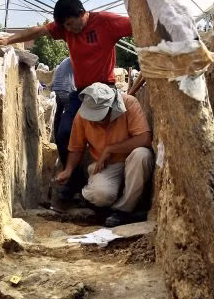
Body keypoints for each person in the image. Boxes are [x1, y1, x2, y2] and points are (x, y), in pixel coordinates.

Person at [0, 0, 133, 196]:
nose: (68, 30)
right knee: (63, 133)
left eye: (70, 23)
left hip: (105, 90)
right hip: (82, 92)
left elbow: (139, 26)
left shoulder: (106, 21)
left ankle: (115, 182)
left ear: (81, 13)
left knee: (106, 134)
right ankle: (73, 181)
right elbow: (38, 31)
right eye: (64, 26)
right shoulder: (64, 27)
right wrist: (9, 39)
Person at [55, 82, 154, 227]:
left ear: (112, 107)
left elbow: (144, 138)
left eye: (101, 116)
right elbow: (77, 147)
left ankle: (123, 211)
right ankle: (101, 203)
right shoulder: (82, 115)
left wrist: (110, 149)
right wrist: (68, 170)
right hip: (106, 166)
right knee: (99, 195)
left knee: (142, 155)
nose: (98, 122)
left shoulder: (129, 103)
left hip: (131, 160)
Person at [51, 56, 76, 143]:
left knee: (58, 115)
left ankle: (57, 140)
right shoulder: (75, 59)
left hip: (56, 89)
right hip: (66, 90)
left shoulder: (65, 60)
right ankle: (68, 141)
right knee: (71, 116)